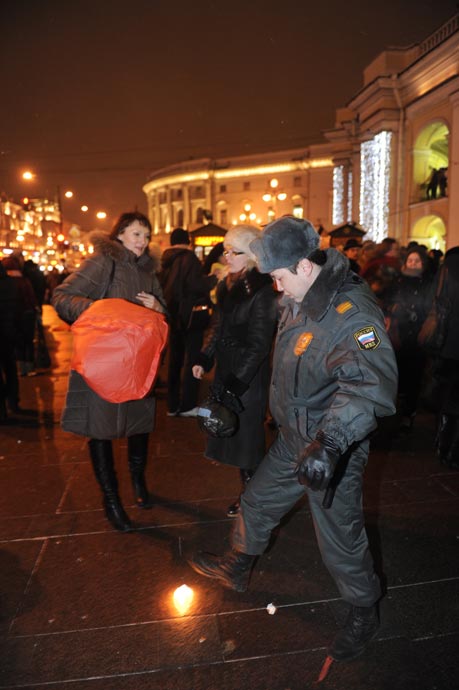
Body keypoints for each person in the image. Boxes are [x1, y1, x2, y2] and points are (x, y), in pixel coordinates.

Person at [188, 216, 398, 662]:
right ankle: (238, 565)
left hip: (330, 446)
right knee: (257, 502)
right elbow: (273, 354)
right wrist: (228, 395)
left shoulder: (352, 315)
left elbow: (370, 386)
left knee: (340, 537)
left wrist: (331, 443)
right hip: (291, 436)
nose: (277, 288)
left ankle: (364, 610)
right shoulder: (297, 297)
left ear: (304, 266)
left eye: (280, 277)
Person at [52, 212, 166, 532]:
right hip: (102, 361)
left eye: (146, 235)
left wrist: (158, 308)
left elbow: (164, 316)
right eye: (135, 234)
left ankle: (138, 481)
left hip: (137, 363)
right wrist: (100, 310)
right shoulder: (104, 262)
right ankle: (111, 499)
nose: (142, 242)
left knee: (139, 424)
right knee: (100, 428)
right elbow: (61, 296)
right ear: (119, 236)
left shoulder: (149, 272)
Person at [192, 225, 278, 517]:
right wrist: (204, 357)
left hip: (248, 378)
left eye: (233, 251)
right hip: (228, 371)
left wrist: (235, 384)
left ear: (252, 255)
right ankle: (250, 495)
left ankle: (252, 500)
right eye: (225, 250)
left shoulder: (264, 291)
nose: (226, 256)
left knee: (248, 441)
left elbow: (259, 345)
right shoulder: (225, 285)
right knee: (232, 433)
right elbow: (218, 327)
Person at [159, 228, 215, 417]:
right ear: (187, 241)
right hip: (190, 318)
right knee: (192, 360)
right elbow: (195, 286)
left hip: (172, 317)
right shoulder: (189, 258)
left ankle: (172, 405)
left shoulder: (166, 259)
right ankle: (188, 404)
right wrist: (213, 279)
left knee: (174, 361)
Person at [386, 246, 435, 431]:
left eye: (417, 261)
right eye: (410, 260)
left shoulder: (428, 283)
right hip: (398, 335)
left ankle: (408, 412)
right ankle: (396, 411)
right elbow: (387, 301)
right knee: (397, 374)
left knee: (414, 375)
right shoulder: (397, 281)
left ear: (423, 263)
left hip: (417, 336)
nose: (413, 264)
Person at [433, 247, 459, 469]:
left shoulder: (447, 273)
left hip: (448, 349)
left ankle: (444, 444)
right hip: (451, 348)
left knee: (448, 399)